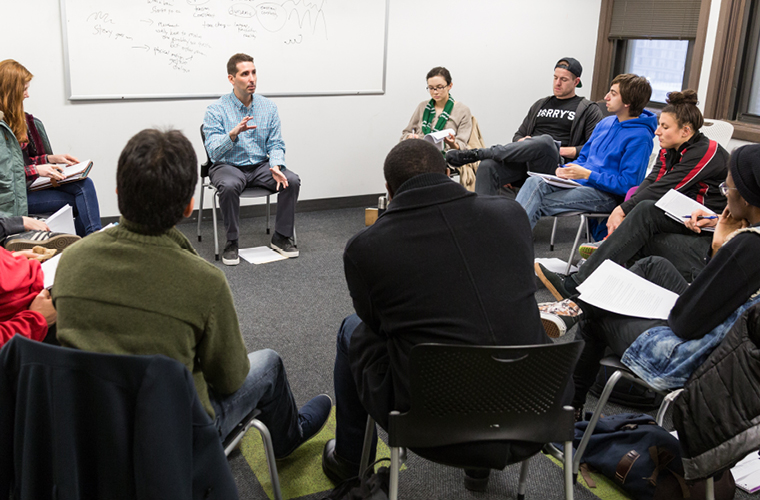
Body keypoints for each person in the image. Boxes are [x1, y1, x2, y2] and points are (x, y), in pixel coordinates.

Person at [53, 129, 331, 456]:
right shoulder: (204, 281)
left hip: (88, 432)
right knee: (268, 363)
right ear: (189, 207)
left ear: (117, 193)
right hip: (173, 436)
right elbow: (230, 379)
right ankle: (288, 437)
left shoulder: (70, 261)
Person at [321, 139, 551, 491]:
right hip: (534, 408)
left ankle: (352, 459)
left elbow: (377, 324)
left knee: (352, 329)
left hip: (430, 422)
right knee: (492, 316)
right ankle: (479, 468)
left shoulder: (367, 246)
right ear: (449, 173)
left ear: (389, 190)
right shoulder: (511, 214)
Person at [554, 144, 760, 417]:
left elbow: (685, 323)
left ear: (745, 198)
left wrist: (719, 248)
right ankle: (577, 305)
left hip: (691, 358)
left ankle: (566, 412)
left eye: (726, 188)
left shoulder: (747, 247)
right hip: (728, 348)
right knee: (654, 265)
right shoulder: (750, 240)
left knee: (599, 314)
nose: (723, 193)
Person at [536, 90, 729, 301]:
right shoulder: (671, 147)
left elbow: (664, 187)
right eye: (659, 125)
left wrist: (621, 210)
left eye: (665, 127)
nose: (657, 132)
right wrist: (626, 210)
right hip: (684, 214)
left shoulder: (705, 152)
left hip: (708, 225)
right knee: (640, 210)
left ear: (685, 131)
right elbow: (651, 181)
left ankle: (578, 281)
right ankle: (595, 285)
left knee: (644, 211)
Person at [514, 74, 657, 230]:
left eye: (613, 94)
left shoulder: (641, 137)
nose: (606, 97)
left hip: (606, 195)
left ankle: (507, 245)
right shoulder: (606, 122)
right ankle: (510, 245)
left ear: (628, 102)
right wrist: (566, 170)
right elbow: (584, 157)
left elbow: (628, 184)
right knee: (534, 182)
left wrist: (587, 174)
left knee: (535, 202)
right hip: (579, 183)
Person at [446, 58, 603, 196]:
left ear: (576, 82)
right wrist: (523, 141)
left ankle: (478, 153)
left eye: (563, 79)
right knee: (488, 166)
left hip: (556, 166)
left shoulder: (588, 109)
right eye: (555, 78)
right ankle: (484, 222)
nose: (557, 83)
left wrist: (558, 148)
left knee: (546, 141)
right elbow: (518, 136)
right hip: (527, 162)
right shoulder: (541, 104)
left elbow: (593, 149)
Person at [203, 53, 300, 265]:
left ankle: (281, 237)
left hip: (260, 166)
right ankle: (232, 241)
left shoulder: (268, 107)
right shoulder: (216, 110)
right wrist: (232, 135)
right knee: (228, 186)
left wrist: (275, 165)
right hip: (228, 166)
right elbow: (213, 153)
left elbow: (276, 143)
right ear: (231, 79)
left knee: (291, 180)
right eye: (245, 74)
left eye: (254, 73)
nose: (252, 79)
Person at [0, 59, 101, 237]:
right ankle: (93, 242)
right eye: (24, 89)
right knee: (80, 201)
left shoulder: (16, 120)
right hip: (12, 201)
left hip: (24, 190)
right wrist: (36, 170)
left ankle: (91, 241)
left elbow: (19, 162)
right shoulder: (3, 127)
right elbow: (6, 175)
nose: (27, 95)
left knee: (85, 184)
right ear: (11, 91)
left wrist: (49, 159)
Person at [400, 66, 472, 152]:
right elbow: (405, 133)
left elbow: (462, 145)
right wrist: (410, 137)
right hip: (419, 153)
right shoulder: (422, 106)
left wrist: (452, 144)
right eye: (431, 88)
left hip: (446, 158)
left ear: (450, 86)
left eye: (440, 87)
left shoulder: (462, 110)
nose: (435, 92)